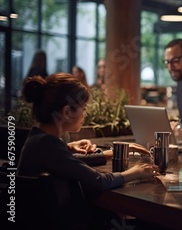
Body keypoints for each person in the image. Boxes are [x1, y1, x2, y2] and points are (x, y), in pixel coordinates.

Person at [17, 73, 157, 229]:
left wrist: (111, 153)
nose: (85, 114)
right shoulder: (47, 144)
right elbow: (100, 181)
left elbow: (71, 163)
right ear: (67, 111)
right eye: (83, 109)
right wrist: (136, 171)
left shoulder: (38, 139)